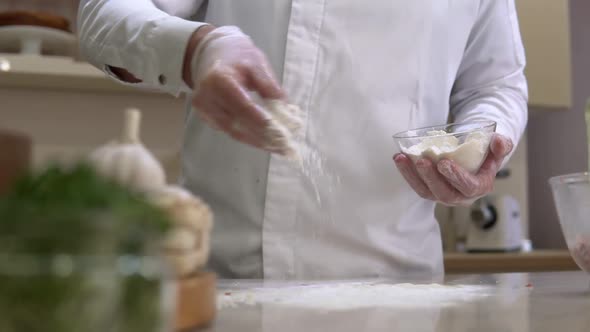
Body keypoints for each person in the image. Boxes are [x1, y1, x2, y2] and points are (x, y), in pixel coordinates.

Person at [78, 0, 528, 279]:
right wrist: (196, 49)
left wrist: (479, 142)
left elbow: (496, 84)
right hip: (226, 282)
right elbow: (104, 11)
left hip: (394, 290)